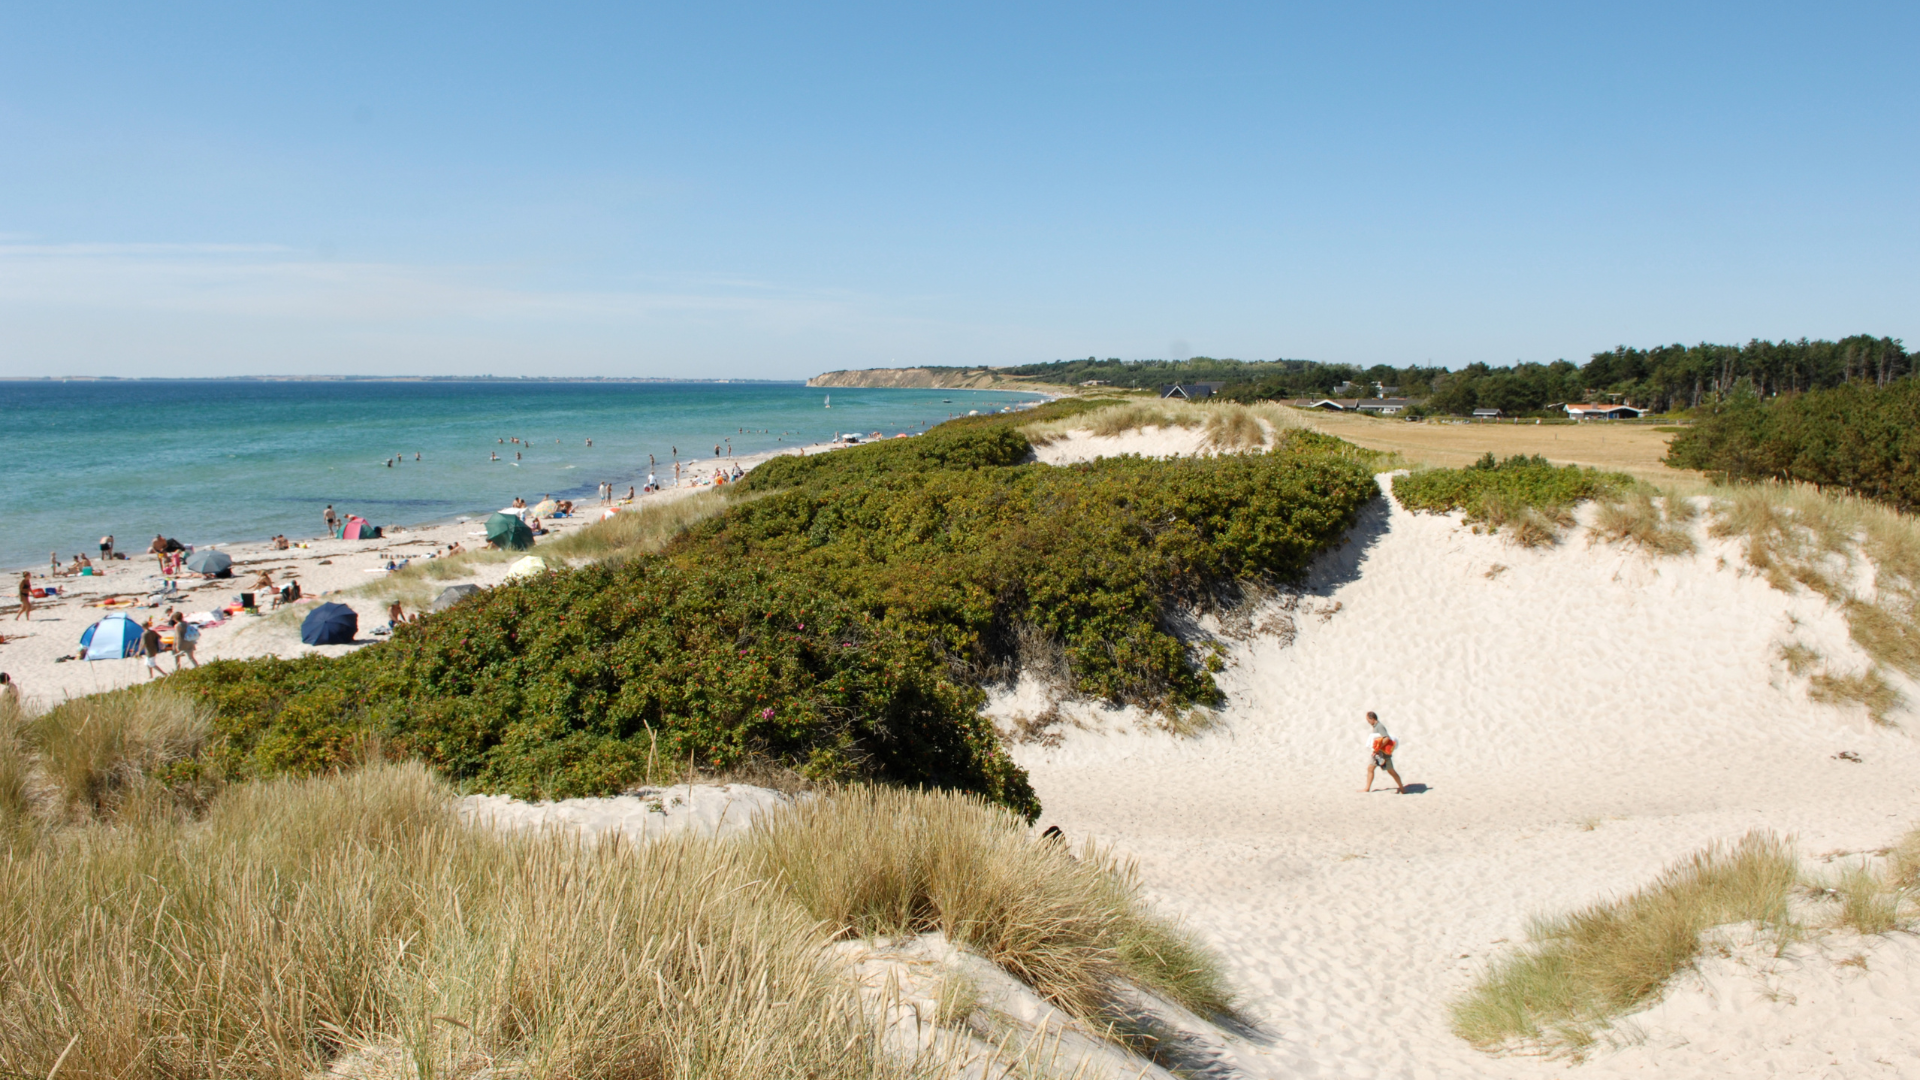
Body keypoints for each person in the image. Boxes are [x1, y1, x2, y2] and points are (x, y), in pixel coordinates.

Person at [1362, 711, 1406, 794]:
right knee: (1370, 768)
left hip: (1383, 754)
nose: (1368, 722)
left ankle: (1402, 788)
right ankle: (1367, 788)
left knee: (1391, 771)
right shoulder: (1375, 726)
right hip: (1377, 754)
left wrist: (1378, 747)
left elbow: (1386, 738)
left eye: (1368, 720)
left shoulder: (1380, 726)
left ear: (1372, 718)